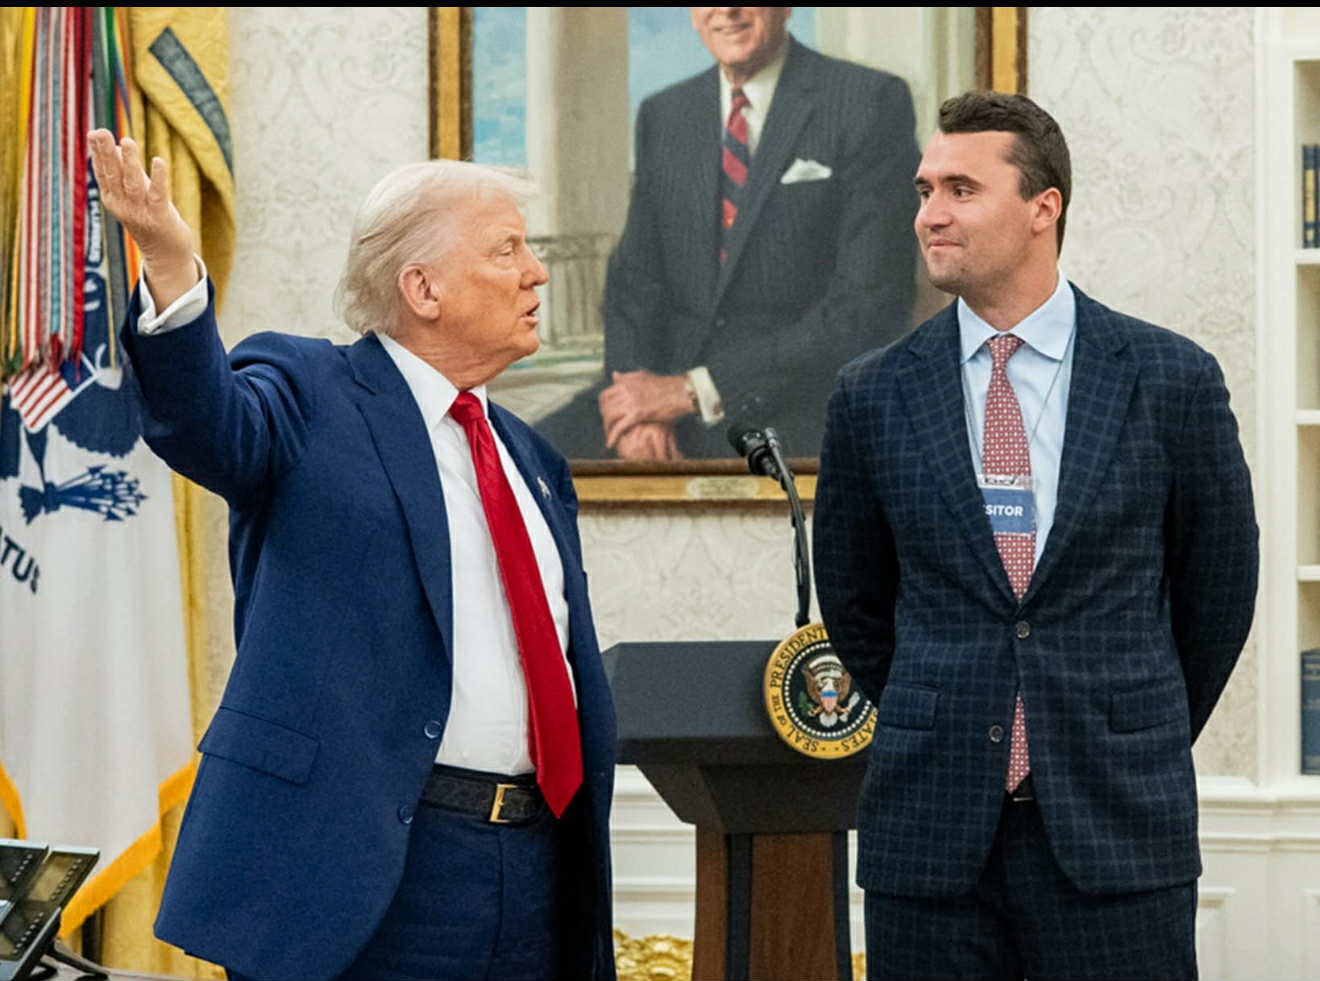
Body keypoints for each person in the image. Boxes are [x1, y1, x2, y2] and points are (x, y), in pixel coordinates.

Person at [88, 132, 617, 981]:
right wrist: (171, 265)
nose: (538, 273)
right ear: (422, 287)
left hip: (535, 871)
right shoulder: (308, 389)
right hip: (363, 872)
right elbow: (205, 424)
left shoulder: (533, 458)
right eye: (507, 249)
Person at [812, 91, 1257, 980]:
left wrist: (1124, 725)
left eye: (961, 189)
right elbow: (857, 604)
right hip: (931, 838)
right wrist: (948, 710)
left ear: (1042, 207)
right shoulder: (872, 393)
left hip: (1117, 831)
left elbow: (1217, 592)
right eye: (925, 190)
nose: (930, 214)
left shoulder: (1170, 379)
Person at [537, 6, 919, 460]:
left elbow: (868, 304)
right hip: (659, 392)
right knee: (517, 460)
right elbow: (634, 282)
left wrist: (695, 391)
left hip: (793, 398)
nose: (728, 11)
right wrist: (637, 405)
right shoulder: (665, 113)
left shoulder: (869, 102)